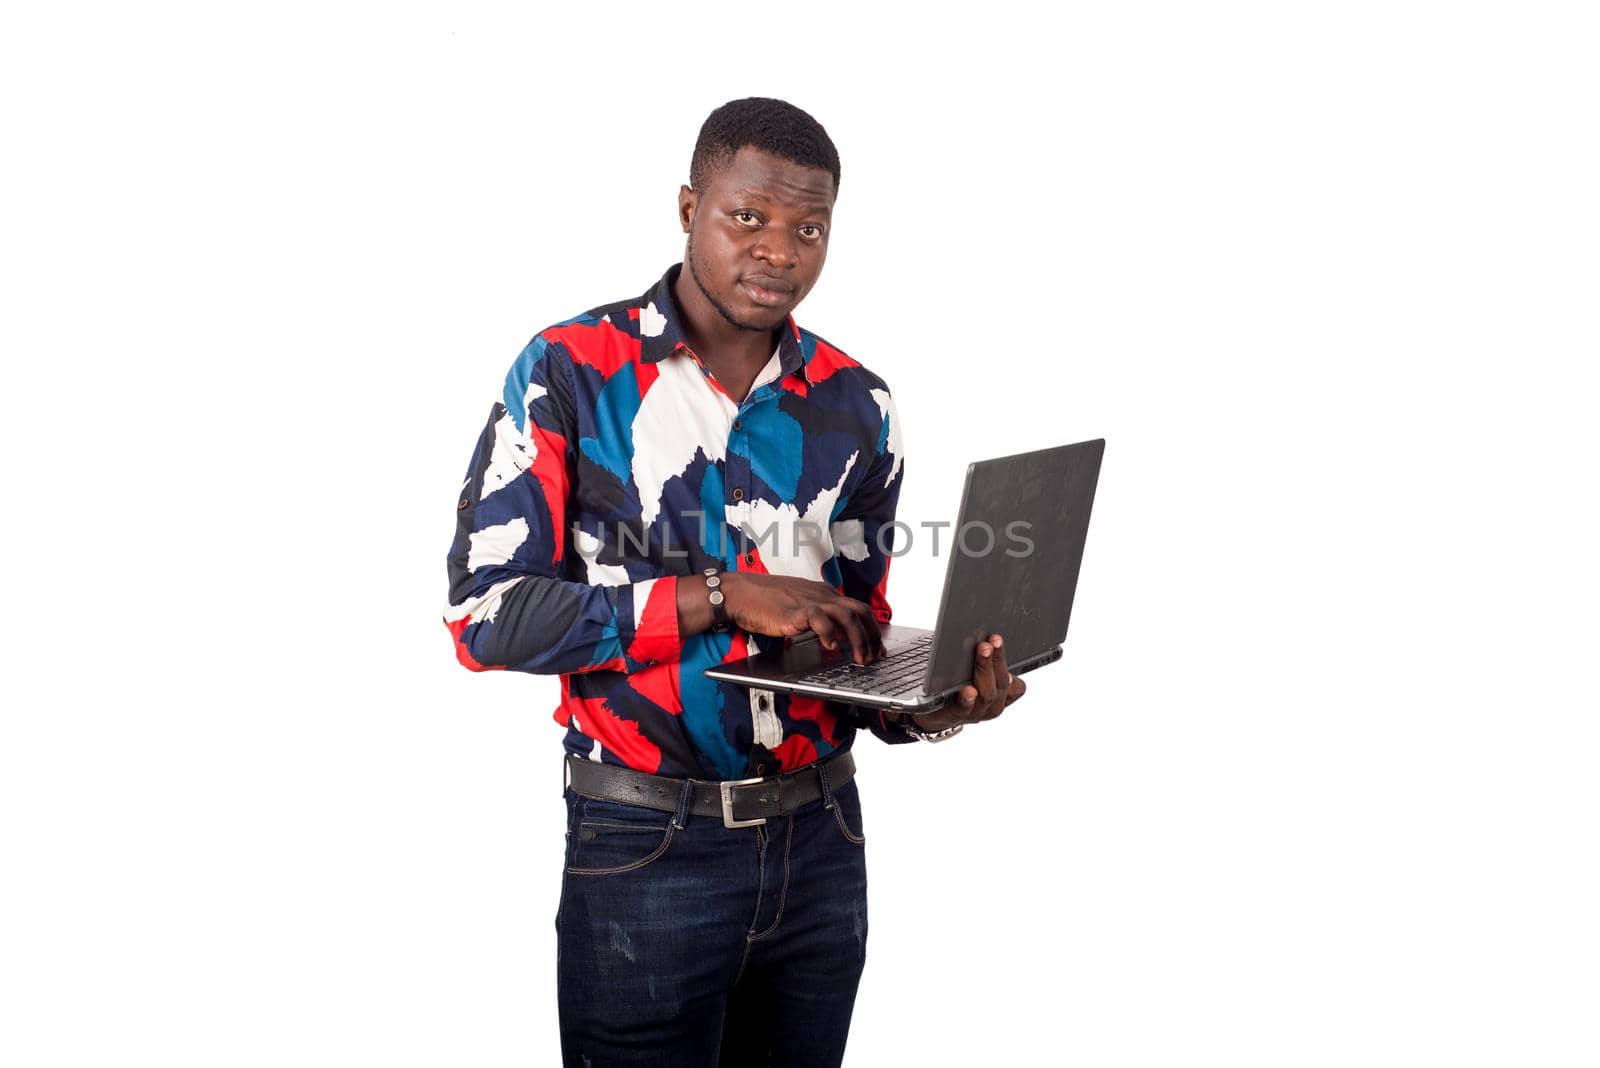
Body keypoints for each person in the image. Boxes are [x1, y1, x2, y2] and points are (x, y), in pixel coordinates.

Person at [442, 97, 1026, 1067]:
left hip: (822, 844)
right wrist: (719, 593)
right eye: (746, 217)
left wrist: (935, 702)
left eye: (809, 227)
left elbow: (854, 636)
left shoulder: (857, 402)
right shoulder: (569, 371)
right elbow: (486, 618)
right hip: (643, 847)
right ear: (687, 207)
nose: (779, 251)